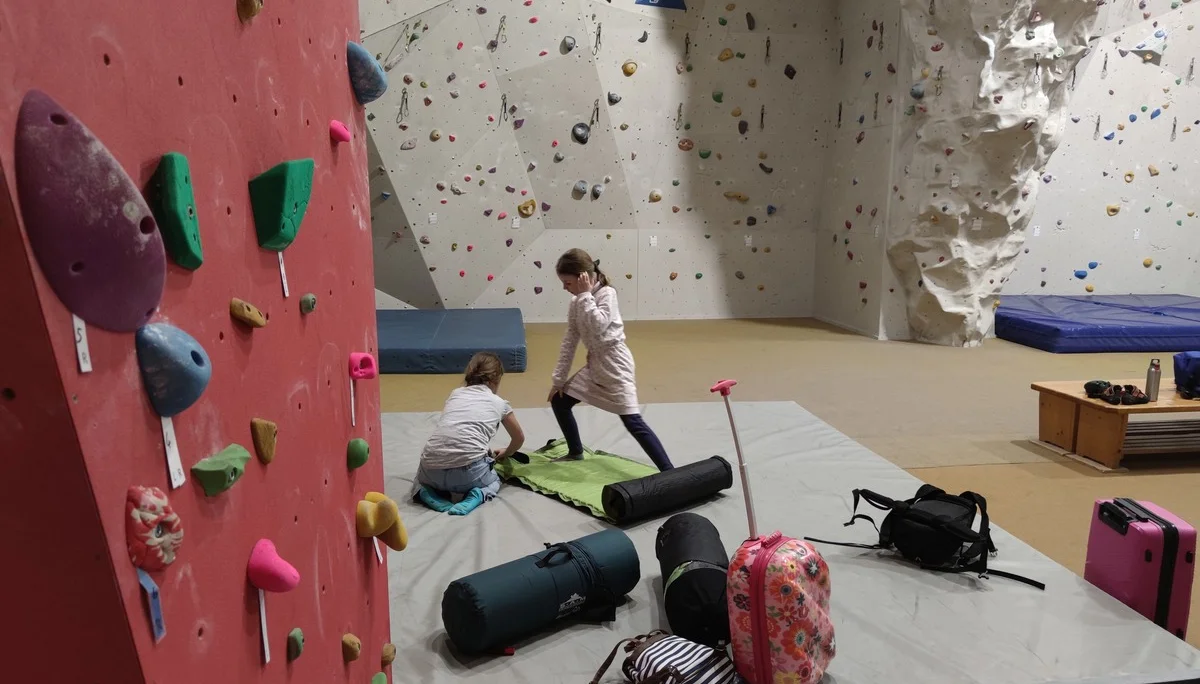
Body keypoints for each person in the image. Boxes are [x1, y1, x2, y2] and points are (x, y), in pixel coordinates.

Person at [548, 248, 674, 471]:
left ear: (582, 277)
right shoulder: (576, 301)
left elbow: (598, 326)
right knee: (560, 400)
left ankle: (669, 471)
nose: (564, 288)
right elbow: (570, 340)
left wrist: (586, 295)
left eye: (567, 283)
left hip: (616, 363)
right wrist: (558, 380)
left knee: (632, 420)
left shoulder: (607, 294)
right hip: (595, 364)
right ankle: (575, 451)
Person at [413, 351, 525, 515]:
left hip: (431, 470)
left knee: (419, 479)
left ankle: (424, 492)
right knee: (495, 479)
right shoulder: (499, 403)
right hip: (467, 475)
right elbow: (518, 438)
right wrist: (507, 452)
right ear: (496, 381)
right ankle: (479, 494)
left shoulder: (455, 394)